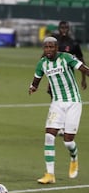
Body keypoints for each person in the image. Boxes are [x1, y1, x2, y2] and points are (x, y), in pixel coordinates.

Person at [28, 36, 89, 184]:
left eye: (51, 47)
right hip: (57, 103)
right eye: (46, 47)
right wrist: (33, 87)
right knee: (49, 136)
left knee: (68, 141)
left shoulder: (66, 58)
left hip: (73, 103)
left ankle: (74, 158)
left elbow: (84, 69)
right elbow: (37, 79)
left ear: (56, 47)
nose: (49, 50)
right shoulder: (42, 63)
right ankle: (50, 175)